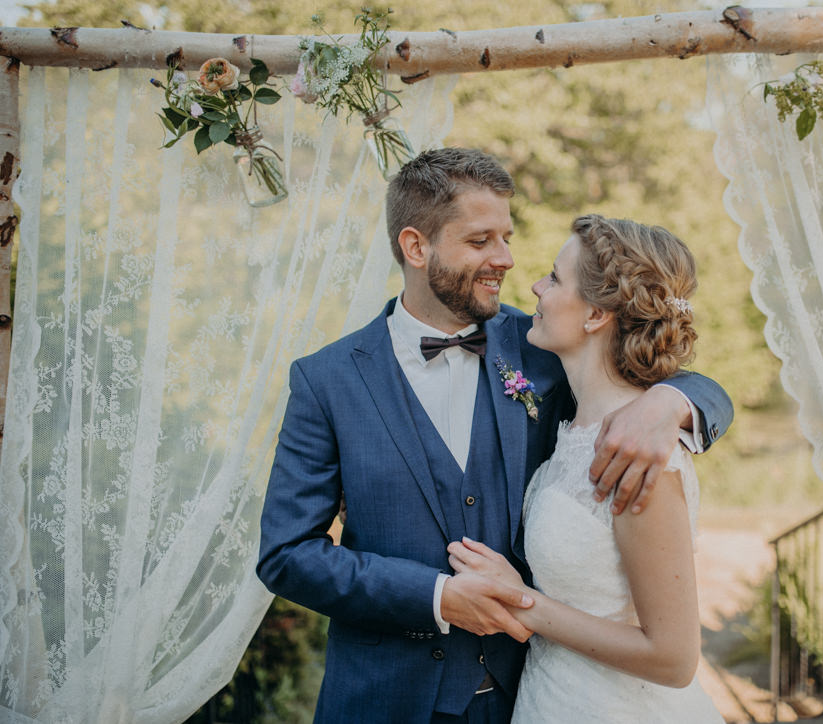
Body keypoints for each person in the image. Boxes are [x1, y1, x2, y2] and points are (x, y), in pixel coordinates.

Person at [256, 148, 733, 724]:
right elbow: (287, 554)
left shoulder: (540, 347)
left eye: (506, 236)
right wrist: (435, 596)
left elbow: (660, 362)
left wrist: (672, 402)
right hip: (385, 701)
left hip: (526, 695)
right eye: (481, 241)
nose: (506, 259)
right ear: (416, 246)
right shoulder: (326, 379)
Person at [448, 214, 726, 722]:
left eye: (554, 278)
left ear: (596, 314)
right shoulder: (572, 423)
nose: (533, 286)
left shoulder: (640, 454)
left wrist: (521, 601)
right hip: (550, 699)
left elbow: (674, 658)